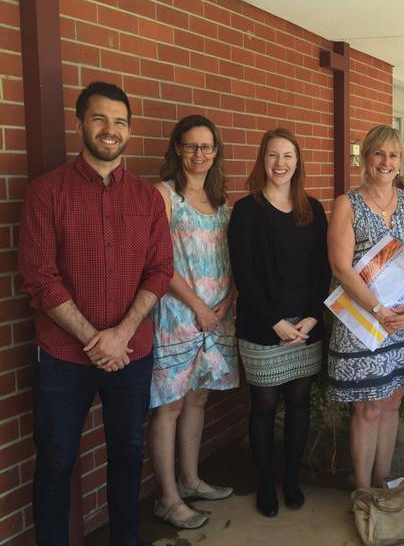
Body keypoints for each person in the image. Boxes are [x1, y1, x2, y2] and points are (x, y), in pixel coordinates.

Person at [18, 82, 173, 546]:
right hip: (64, 357)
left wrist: (122, 333)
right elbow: (40, 277)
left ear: (129, 130)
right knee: (55, 460)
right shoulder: (47, 192)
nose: (111, 130)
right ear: (80, 123)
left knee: (127, 454)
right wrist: (96, 339)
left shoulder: (147, 198)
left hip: (131, 354)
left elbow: (161, 269)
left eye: (120, 121)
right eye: (100, 119)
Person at [228, 128, 331, 517]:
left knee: (300, 401)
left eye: (288, 155)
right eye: (273, 155)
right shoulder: (246, 210)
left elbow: (322, 270)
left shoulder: (312, 209)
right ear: (262, 159)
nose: (280, 164)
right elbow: (244, 274)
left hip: (305, 325)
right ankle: (265, 483)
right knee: (265, 404)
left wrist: (310, 317)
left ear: (298, 162)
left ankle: (291, 478)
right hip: (262, 326)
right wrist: (275, 321)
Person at [327, 124, 404, 490]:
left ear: (400, 160)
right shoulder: (348, 204)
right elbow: (341, 266)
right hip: (364, 320)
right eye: (378, 154)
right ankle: (362, 490)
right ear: (366, 158)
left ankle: (381, 479)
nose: (385, 162)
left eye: (392, 155)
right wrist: (377, 309)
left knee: (390, 403)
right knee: (367, 406)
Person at [148, 115, 239, 529]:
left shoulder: (222, 202)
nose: (199, 154)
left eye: (207, 147)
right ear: (178, 150)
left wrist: (227, 301)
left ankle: (190, 479)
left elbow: (234, 260)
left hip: (217, 316)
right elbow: (159, 263)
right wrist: (199, 307)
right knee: (169, 405)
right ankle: (166, 498)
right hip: (178, 317)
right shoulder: (164, 196)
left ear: (216, 152)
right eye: (191, 146)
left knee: (199, 397)